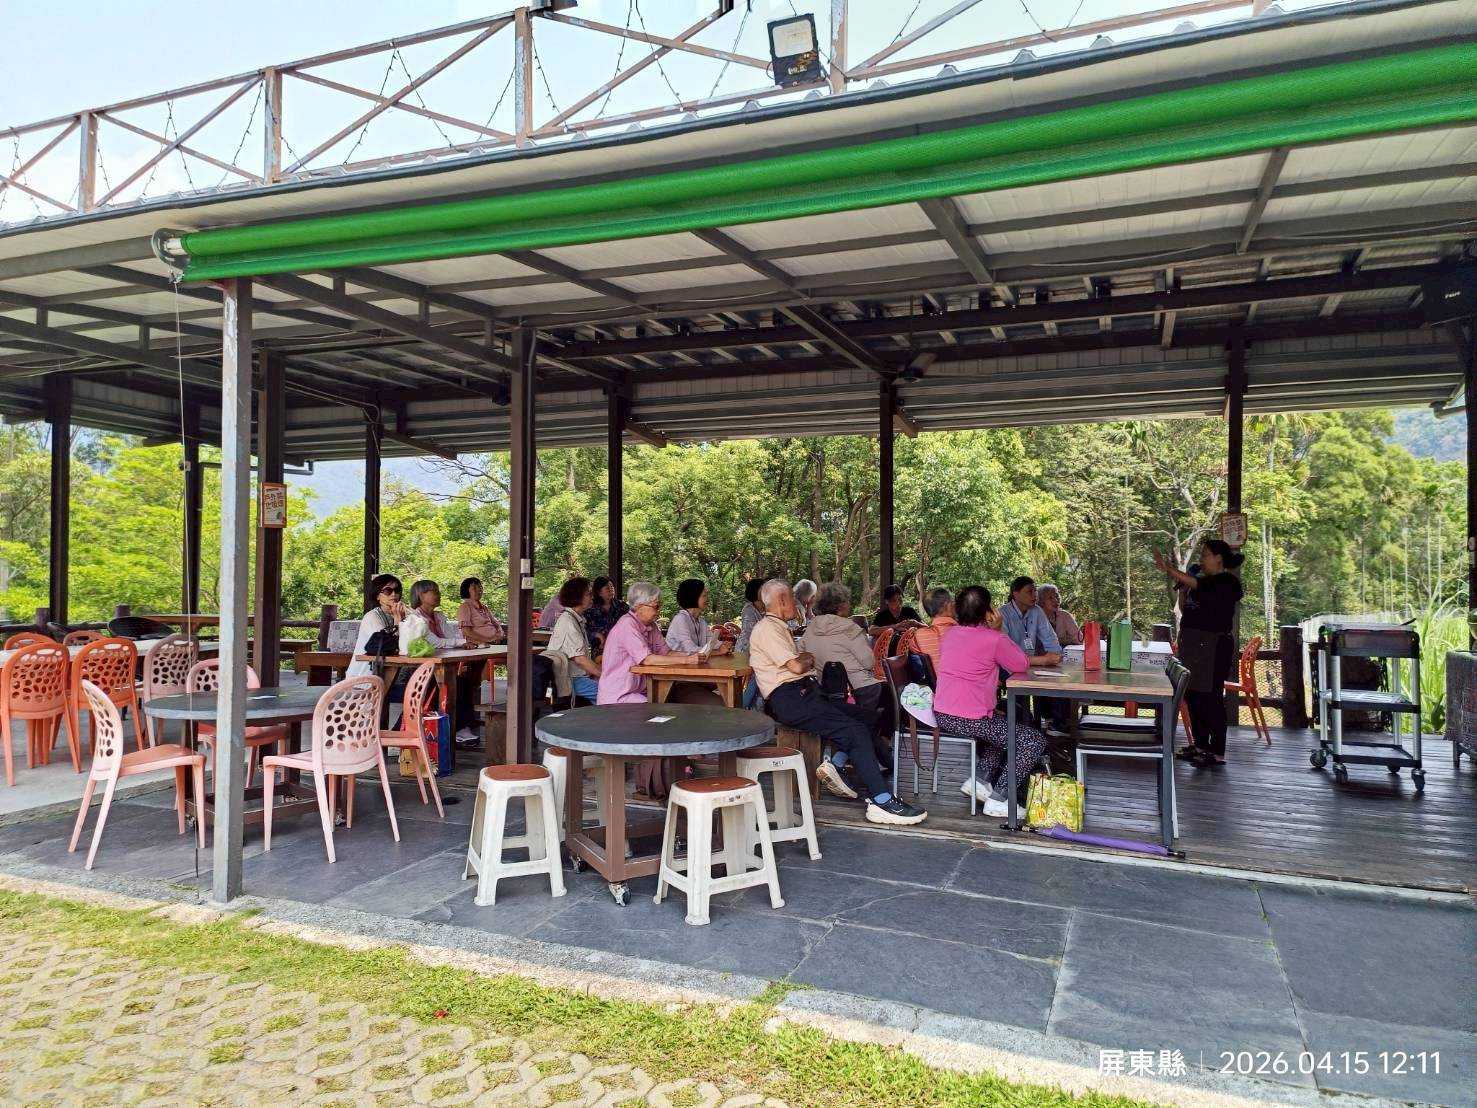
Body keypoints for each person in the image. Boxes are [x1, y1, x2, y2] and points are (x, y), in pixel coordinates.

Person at [750, 578, 926, 827]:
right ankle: (881, 800)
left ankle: (837, 764)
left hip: (806, 693)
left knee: (867, 718)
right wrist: (806, 659)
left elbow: (802, 658)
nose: (797, 603)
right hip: (791, 699)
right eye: (792, 597)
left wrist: (807, 657)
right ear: (781, 600)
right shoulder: (767, 629)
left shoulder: (784, 627)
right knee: (855, 731)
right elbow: (798, 665)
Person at [933, 585, 1048, 816]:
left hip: (943, 714)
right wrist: (999, 631)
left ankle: (980, 781)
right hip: (971, 719)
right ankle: (1000, 798)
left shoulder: (950, 635)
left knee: (1002, 727)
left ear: (958, 610)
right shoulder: (994, 639)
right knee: (1033, 740)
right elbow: (1020, 664)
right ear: (988, 612)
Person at [597, 581, 700, 798]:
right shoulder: (627, 626)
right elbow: (648, 659)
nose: (658, 610)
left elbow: (667, 652)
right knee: (663, 718)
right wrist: (687, 661)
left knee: (674, 711)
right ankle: (655, 781)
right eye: (655, 606)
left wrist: (696, 656)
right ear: (639, 606)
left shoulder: (650, 626)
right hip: (618, 698)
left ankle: (674, 768)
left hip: (639, 693)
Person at [1155, 539, 1244, 767]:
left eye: (1205, 555)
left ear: (1218, 558)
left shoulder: (1227, 582)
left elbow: (1199, 585)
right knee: (1193, 694)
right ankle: (1200, 744)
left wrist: (1169, 569)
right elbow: (1186, 608)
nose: (1201, 559)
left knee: (1211, 697)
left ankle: (1217, 751)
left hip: (1213, 645)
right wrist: (1183, 591)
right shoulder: (1201, 582)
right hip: (1193, 644)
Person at [801, 582, 894, 772]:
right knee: (892, 698)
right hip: (859, 691)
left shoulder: (810, 629)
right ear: (841, 605)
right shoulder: (850, 629)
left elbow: (800, 654)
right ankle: (862, 754)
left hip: (827, 693)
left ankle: (872, 754)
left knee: (870, 715)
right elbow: (868, 662)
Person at [402, 580, 474, 741]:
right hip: (417, 670)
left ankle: (460, 728)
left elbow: (450, 637)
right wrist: (461, 642)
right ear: (421, 596)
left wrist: (460, 643)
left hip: (440, 666)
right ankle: (455, 729)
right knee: (452, 685)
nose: (438, 594)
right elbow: (436, 642)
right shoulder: (415, 618)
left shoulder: (439, 616)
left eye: (438, 591)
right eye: (433, 591)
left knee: (463, 682)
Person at [547, 576, 602, 704]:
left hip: (577, 677)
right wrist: (604, 675)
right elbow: (580, 659)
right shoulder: (568, 622)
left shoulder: (574, 618)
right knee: (610, 692)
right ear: (577, 597)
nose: (592, 597)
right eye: (588, 594)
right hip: (570, 679)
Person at [347, 573, 405, 679]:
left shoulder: (398, 614)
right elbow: (389, 647)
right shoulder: (372, 617)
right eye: (388, 591)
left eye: (397, 590)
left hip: (387, 675)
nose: (393, 594)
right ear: (378, 595)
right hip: (363, 678)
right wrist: (398, 621)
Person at [665, 578, 732, 656]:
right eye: (704, 595)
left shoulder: (701, 622)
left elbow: (711, 643)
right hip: (676, 663)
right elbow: (690, 650)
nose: (707, 599)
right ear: (693, 597)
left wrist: (723, 645)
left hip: (694, 663)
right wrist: (718, 652)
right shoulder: (680, 619)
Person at [901, 586, 956, 672]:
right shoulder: (964, 633)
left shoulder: (918, 636)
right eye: (952, 602)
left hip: (935, 680)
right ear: (948, 605)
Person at [456, 576, 505, 646]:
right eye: (474, 588)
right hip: (483, 644)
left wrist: (500, 633)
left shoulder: (484, 607)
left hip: (497, 641)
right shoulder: (465, 607)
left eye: (480, 587)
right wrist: (489, 640)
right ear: (466, 590)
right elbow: (466, 631)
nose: (479, 590)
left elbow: (495, 623)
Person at [585, 575, 627, 652]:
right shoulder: (590, 609)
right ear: (599, 592)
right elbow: (583, 630)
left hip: (620, 648)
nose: (611, 590)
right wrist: (596, 635)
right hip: (599, 650)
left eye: (612, 587)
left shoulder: (621, 606)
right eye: (607, 588)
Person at [1038, 584, 1082, 648]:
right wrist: (1064, 640)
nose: (1056, 600)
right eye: (1050, 598)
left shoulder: (1064, 615)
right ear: (1041, 601)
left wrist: (1059, 641)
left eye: (1057, 596)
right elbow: (1038, 642)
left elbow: (1079, 639)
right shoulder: (1035, 617)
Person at [733, 578, 766, 653]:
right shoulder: (749, 609)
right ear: (755, 591)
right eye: (763, 589)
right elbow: (750, 631)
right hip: (746, 648)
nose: (766, 592)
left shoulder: (769, 607)